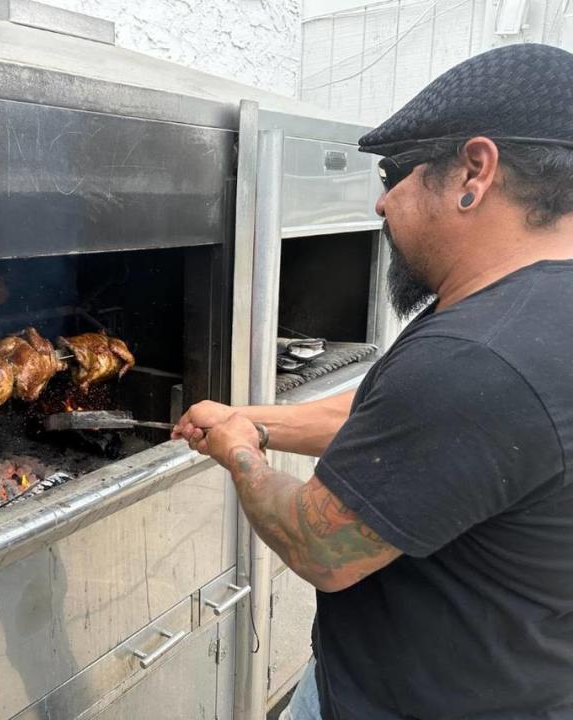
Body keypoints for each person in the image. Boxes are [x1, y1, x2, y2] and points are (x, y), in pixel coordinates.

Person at [173, 43, 573, 719]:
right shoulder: (527, 315)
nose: (382, 204)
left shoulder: (475, 358)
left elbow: (321, 546)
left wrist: (241, 451)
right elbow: (393, 426)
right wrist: (256, 417)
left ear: (474, 171)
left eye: (396, 174)